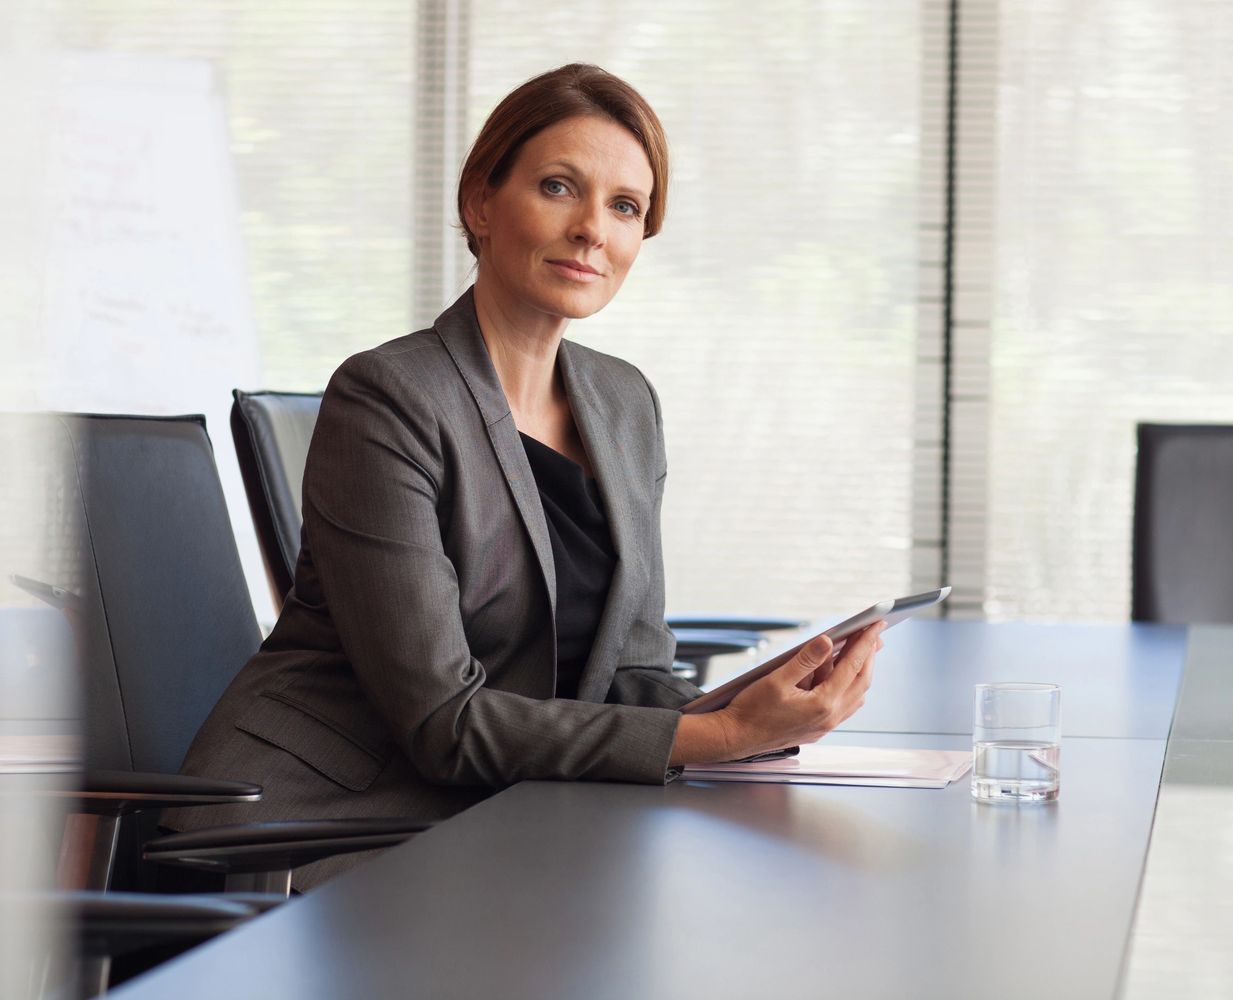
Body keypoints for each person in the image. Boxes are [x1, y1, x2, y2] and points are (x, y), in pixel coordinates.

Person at [170, 64, 883, 889]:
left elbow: (634, 669)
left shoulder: (623, 402)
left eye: (625, 207)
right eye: (557, 187)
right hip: (314, 836)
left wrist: (761, 712)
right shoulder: (389, 398)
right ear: (480, 201)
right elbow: (445, 724)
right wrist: (718, 740)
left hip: (506, 818)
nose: (592, 230)